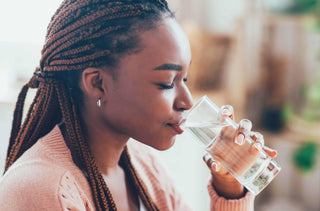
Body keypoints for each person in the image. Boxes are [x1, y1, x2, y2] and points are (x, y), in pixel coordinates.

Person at [0, 0, 277, 210]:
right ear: (98, 83)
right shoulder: (40, 192)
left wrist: (228, 188)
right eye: (167, 82)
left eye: (185, 78)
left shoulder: (141, 164)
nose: (187, 100)